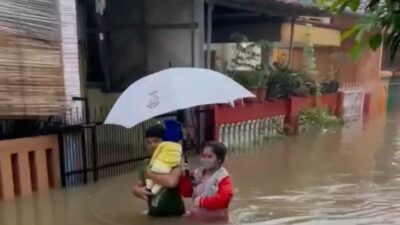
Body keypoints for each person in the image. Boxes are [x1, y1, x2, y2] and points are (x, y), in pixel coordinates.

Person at [148, 141, 234, 222]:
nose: (205, 159)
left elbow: (224, 199)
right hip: (196, 217)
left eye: (209, 156)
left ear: (219, 160)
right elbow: (187, 193)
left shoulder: (223, 177)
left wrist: (202, 201)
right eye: (203, 156)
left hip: (216, 220)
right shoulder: (197, 173)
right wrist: (185, 176)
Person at [132, 124, 185, 217]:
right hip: (153, 214)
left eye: (156, 141)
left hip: (175, 215)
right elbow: (137, 186)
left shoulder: (174, 162)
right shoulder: (146, 164)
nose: (152, 145)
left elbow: (171, 182)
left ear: (166, 143)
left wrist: (149, 174)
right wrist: (137, 191)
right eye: (149, 142)